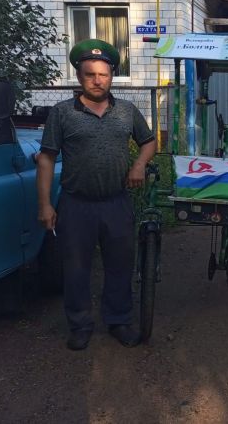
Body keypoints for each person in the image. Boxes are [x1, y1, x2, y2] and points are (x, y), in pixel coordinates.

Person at [37, 39, 156, 351]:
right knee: (75, 269)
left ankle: (118, 320)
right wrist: (46, 203)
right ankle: (79, 324)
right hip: (76, 205)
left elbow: (149, 141)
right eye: (90, 74)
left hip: (117, 202)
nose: (97, 80)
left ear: (112, 76)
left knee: (120, 265)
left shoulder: (127, 111)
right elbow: (47, 158)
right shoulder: (62, 114)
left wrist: (140, 165)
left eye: (103, 74)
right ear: (79, 77)